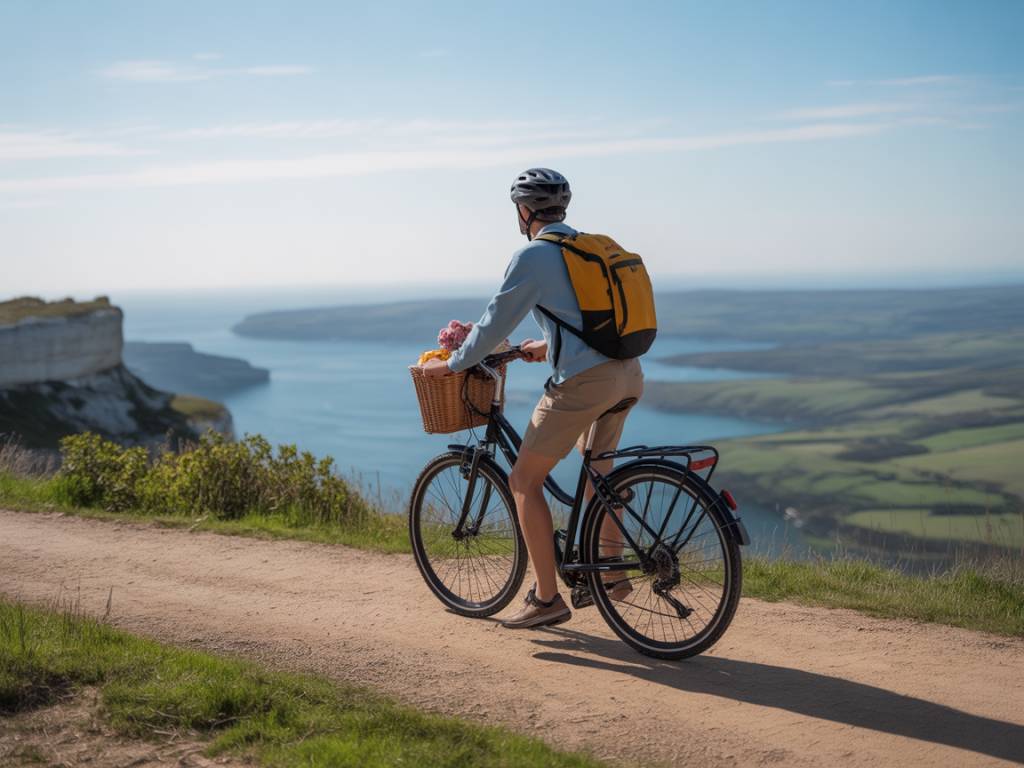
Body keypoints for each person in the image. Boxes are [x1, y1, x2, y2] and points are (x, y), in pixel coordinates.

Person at [421, 167, 645, 629]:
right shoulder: (587, 248)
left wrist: (453, 363)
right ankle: (615, 573)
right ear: (562, 207)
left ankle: (547, 600)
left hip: (584, 384)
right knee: (598, 471)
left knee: (524, 480)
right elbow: (589, 317)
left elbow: (493, 324)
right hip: (628, 374)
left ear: (524, 211)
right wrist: (546, 346)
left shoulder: (534, 256)